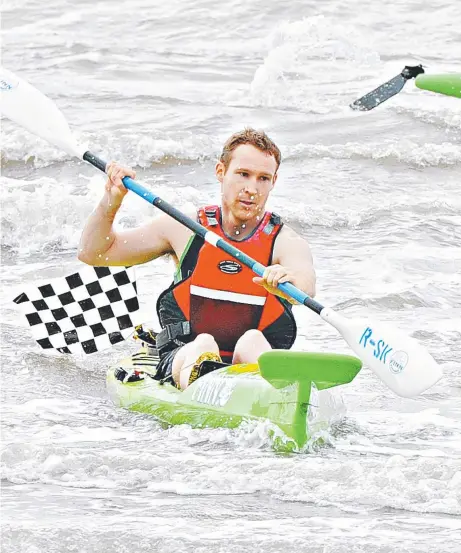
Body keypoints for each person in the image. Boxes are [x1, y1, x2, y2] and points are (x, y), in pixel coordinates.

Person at [78, 128, 316, 389]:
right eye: (243, 174)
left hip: (253, 363)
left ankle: (263, 391)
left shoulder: (285, 241)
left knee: (253, 341)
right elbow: (96, 252)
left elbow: (305, 285)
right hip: (184, 356)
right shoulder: (184, 228)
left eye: (263, 179)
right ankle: (205, 379)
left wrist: (289, 280)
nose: (252, 189)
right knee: (203, 343)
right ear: (221, 172)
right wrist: (111, 201)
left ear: (274, 181)